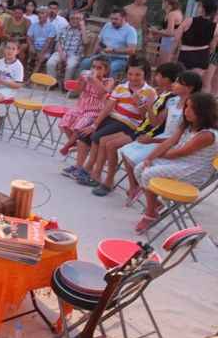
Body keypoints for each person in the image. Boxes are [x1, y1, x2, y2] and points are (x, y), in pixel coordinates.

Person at [133, 93, 218, 233]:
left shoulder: (207, 135)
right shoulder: (187, 124)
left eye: (192, 108)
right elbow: (170, 142)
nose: (186, 111)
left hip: (194, 170)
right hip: (179, 162)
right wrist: (150, 157)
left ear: (203, 113)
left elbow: (179, 152)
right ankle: (155, 204)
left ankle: (150, 214)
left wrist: (158, 156)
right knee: (140, 168)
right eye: (186, 107)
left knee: (149, 173)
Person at [73, 56, 156, 192]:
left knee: (101, 139)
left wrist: (139, 103)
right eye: (130, 74)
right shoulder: (121, 87)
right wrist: (95, 124)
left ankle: (95, 173)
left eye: (138, 75)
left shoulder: (150, 92)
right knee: (89, 133)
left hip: (130, 123)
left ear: (145, 74)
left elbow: (145, 118)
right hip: (114, 118)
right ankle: (87, 169)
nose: (133, 78)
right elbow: (108, 108)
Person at [122, 67, 197, 206]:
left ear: (190, 88)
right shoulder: (172, 101)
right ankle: (135, 187)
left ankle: (147, 195)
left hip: (172, 142)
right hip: (162, 137)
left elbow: (181, 137)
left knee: (137, 160)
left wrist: (152, 140)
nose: (174, 85)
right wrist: (149, 105)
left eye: (179, 83)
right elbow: (156, 122)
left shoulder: (192, 108)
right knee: (126, 150)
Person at [58, 56, 115, 161]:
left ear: (106, 70)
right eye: (93, 67)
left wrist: (94, 80)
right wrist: (81, 80)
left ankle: (68, 145)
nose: (95, 70)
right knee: (66, 122)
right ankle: (74, 143)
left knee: (79, 127)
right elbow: (79, 90)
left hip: (95, 110)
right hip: (81, 106)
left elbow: (103, 93)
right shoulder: (87, 76)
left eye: (99, 68)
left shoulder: (108, 81)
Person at [78, 8, 138, 76]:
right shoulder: (107, 25)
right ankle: (81, 84)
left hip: (120, 58)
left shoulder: (130, 31)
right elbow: (99, 40)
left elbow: (132, 50)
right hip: (103, 56)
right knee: (85, 62)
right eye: (111, 18)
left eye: (116, 19)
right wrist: (94, 53)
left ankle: (106, 85)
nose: (113, 21)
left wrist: (113, 50)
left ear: (124, 18)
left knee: (111, 68)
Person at [176, 0, 218, 92]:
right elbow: (212, 47)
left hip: (186, 54)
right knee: (195, 85)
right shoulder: (215, 27)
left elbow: (176, 38)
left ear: (202, 8)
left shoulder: (189, 21)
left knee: (181, 82)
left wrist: (176, 50)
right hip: (202, 56)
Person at [46, 11, 86, 84]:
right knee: (50, 63)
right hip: (61, 52)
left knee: (70, 66)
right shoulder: (64, 28)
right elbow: (58, 42)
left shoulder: (84, 31)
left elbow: (85, 42)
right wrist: (62, 54)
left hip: (75, 55)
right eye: (72, 18)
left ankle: (66, 84)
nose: (74, 20)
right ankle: (52, 83)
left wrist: (82, 28)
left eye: (77, 19)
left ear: (81, 20)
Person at [149, 0, 183, 65]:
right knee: (162, 63)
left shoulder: (172, 14)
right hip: (170, 41)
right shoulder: (177, 12)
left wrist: (155, 31)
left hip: (169, 41)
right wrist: (159, 31)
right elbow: (172, 29)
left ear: (167, 3)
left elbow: (170, 32)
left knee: (163, 65)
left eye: (163, 2)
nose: (162, 4)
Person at [27, 6, 57, 72]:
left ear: (47, 15)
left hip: (45, 49)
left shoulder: (51, 27)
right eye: (39, 13)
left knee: (40, 59)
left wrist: (41, 53)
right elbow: (29, 37)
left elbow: (48, 42)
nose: (40, 15)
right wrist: (31, 46)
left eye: (43, 13)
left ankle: (32, 77)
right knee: (29, 54)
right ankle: (27, 73)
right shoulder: (33, 25)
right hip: (35, 48)